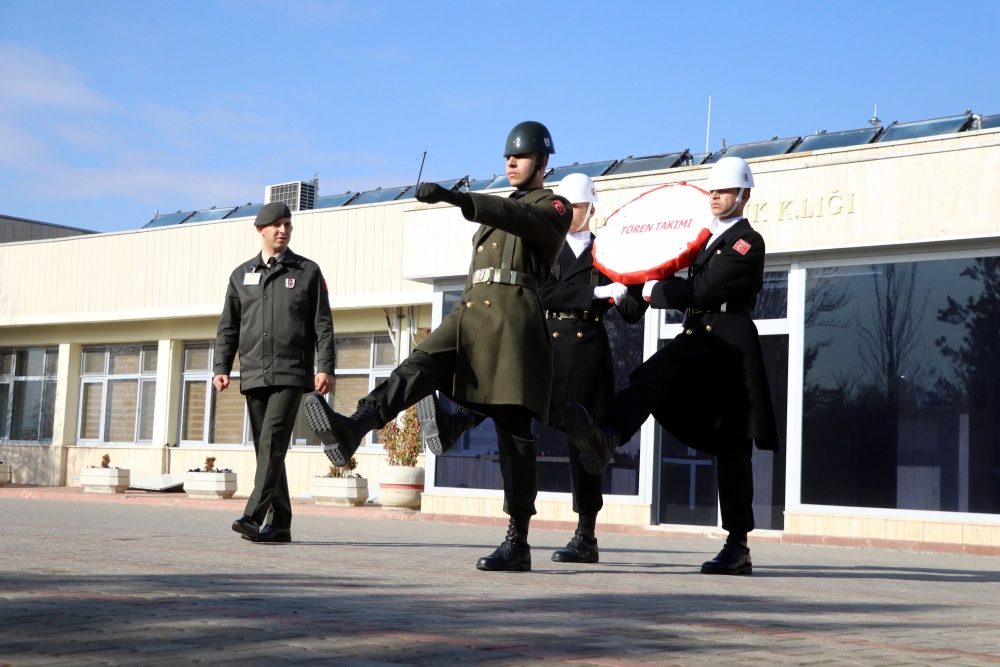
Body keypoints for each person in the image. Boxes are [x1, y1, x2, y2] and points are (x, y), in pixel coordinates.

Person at [304, 121, 573, 571]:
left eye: (521, 157)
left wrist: (459, 199)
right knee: (416, 366)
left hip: (512, 320)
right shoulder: (499, 208)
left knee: (513, 432)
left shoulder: (555, 205)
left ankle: (518, 537)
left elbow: (524, 219)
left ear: (543, 163)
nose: (511, 162)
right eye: (507, 156)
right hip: (470, 313)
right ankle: (355, 426)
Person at [563, 157, 778, 575]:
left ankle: (738, 546)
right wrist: (635, 278)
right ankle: (607, 437)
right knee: (648, 377)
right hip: (697, 337)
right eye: (713, 190)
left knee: (734, 447)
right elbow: (672, 266)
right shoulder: (702, 240)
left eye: (725, 191)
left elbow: (706, 287)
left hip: (731, 344)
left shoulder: (748, 242)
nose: (715, 196)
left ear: (744, 195)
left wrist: (654, 290)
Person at [538, 173, 647, 563]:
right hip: (548, 347)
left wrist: (641, 278)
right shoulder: (546, 249)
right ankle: (516, 525)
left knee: (582, 442)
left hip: (587, 353)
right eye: (563, 207)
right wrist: (594, 293)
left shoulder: (609, 251)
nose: (569, 214)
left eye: (577, 207)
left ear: (591, 209)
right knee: (513, 420)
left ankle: (586, 534)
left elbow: (632, 313)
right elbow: (543, 292)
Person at [216, 202, 335, 543]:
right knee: (269, 451)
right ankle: (281, 523)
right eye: (276, 225)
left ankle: (253, 516)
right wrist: (222, 367)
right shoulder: (241, 276)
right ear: (261, 231)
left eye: (288, 224)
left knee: (271, 444)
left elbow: (323, 325)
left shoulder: (307, 272)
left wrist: (325, 366)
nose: (283, 230)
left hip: (291, 374)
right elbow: (228, 327)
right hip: (253, 375)